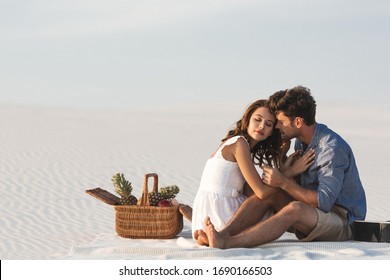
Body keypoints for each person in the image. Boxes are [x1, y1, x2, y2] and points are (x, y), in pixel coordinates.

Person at [201, 86, 367, 248]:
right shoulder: (301, 142)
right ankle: (222, 234)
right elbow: (297, 185)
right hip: (313, 213)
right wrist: (282, 158)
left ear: (298, 122)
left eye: (280, 122)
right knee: (269, 194)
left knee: (295, 208)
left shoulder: (330, 150)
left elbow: (323, 202)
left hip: (343, 220)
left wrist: (283, 182)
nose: (277, 126)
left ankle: (229, 243)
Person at [192, 99, 314, 244]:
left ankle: (210, 236)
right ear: (247, 119)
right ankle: (222, 235)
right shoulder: (239, 143)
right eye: (257, 119)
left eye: (268, 124)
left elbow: (251, 190)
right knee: (274, 196)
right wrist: (290, 172)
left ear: (271, 132)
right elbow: (261, 192)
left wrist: (282, 164)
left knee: (271, 193)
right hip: (219, 213)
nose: (261, 126)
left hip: (205, 215)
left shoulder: (237, 143)